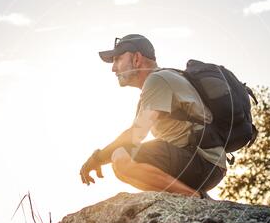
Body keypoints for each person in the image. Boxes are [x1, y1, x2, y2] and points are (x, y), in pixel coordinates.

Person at [79, 34, 227, 199]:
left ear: (137, 59)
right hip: (203, 163)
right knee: (122, 161)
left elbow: (136, 135)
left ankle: (192, 197)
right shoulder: (158, 82)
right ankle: (190, 196)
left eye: (118, 59)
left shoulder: (157, 80)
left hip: (204, 162)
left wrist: (97, 158)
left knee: (122, 158)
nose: (113, 68)